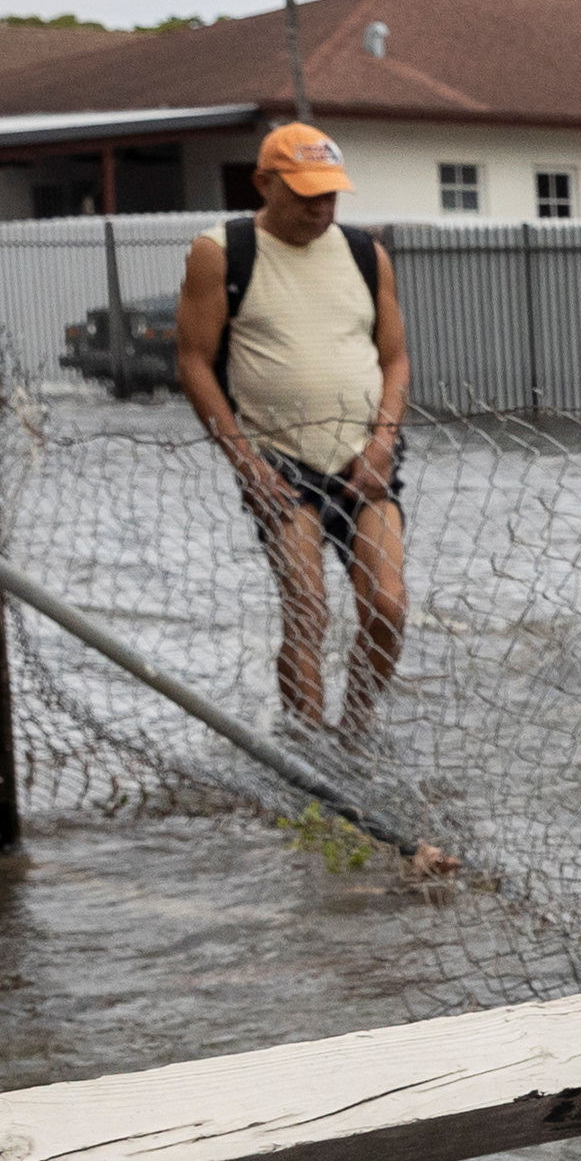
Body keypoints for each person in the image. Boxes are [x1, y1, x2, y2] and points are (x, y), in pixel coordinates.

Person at [169, 121, 412, 735]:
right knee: (307, 607)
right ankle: (308, 753)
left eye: (330, 193)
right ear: (264, 184)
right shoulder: (220, 252)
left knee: (386, 606)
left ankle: (356, 732)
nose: (321, 206)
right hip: (277, 460)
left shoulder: (364, 253)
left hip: (364, 456)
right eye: (306, 193)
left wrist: (382, 443)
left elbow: (395, 359)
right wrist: (245, 463)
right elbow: (193, 360)